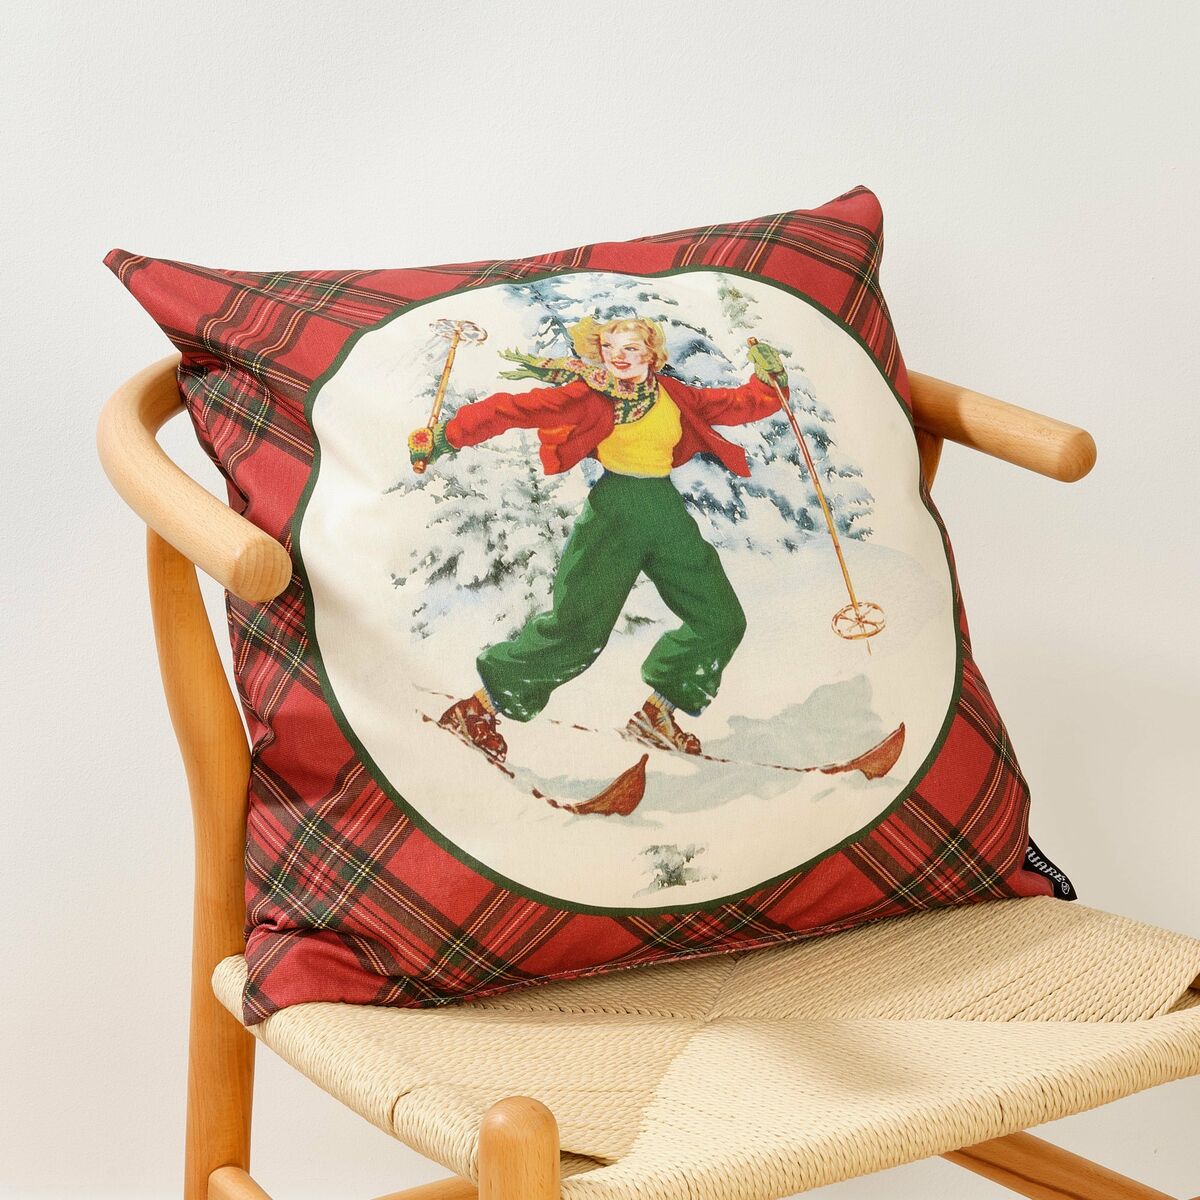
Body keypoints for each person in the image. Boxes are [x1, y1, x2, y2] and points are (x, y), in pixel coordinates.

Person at [408, 315, 788, 762]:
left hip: (664, 511)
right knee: (577, 632)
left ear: (652, 354)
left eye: (631, 349)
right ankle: (476, 710)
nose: (619, 358)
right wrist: (446, 437)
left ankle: (657, 716)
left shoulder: (673, 394)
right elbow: (513, 409)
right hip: (614, 513)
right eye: (610, 349)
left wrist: (770, 383)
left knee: (721, 619)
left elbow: (735, 403)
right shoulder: (591, 395)